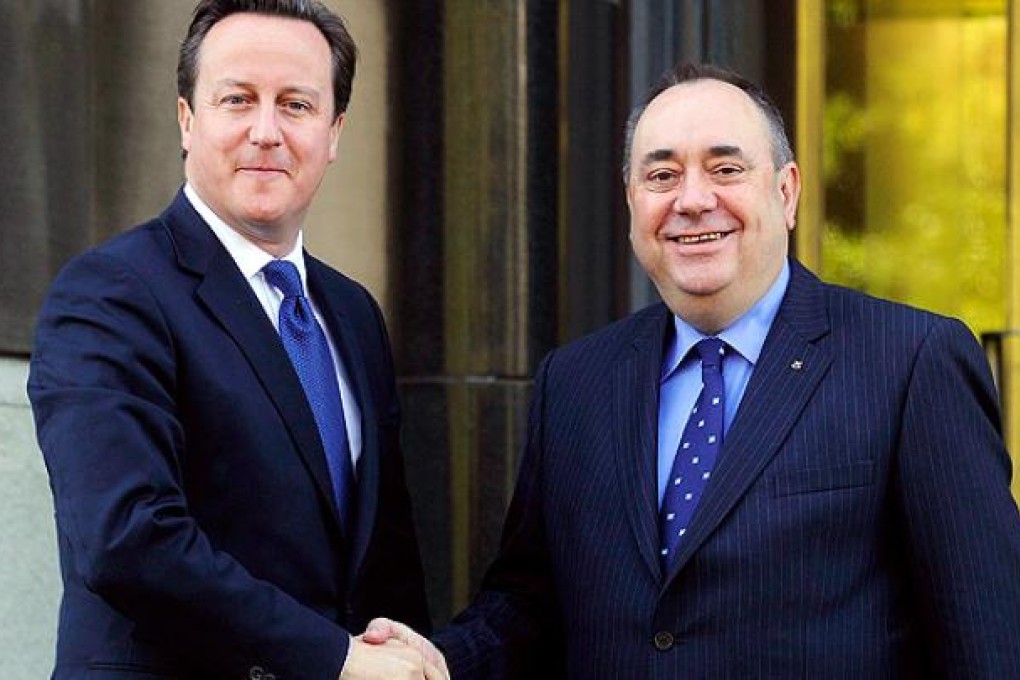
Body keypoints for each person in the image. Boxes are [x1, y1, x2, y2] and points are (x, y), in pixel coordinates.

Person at [367, 62, 1020, 677]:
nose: (693, 199)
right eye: (661, 176)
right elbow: (529, 603)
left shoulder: (911, 363)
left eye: (726, 168)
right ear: (631, 206)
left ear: (787, 192)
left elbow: (988, 642)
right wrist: (436, 662)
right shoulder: (575, 383)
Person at [27, 1, 443, 677]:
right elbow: (128, 540)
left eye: (297, 105)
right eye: (238, 99)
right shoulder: (111, 295)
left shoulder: (352, 315)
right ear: (188, 119)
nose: (266, 131)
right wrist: (332, 658)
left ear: (334, 131)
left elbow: (385, 563)